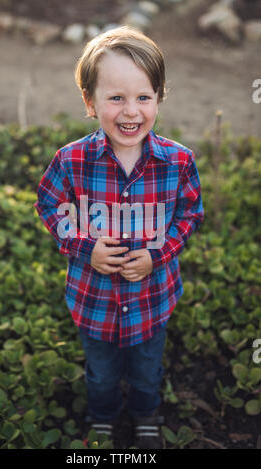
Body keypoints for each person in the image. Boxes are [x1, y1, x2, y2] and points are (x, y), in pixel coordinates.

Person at [33, 25, 204, 449]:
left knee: (148, 369)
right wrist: (83, 247)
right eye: (116, 98)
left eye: (143, 97)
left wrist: (159, 253)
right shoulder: (71, 160)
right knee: (102, 372)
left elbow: (190, 214)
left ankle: (146, 414)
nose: (131, 112)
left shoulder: (178, 162)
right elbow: (49, 206)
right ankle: (103, 416)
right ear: (90, 102)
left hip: (152, 299)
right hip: (93, 300)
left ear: (159, 97)